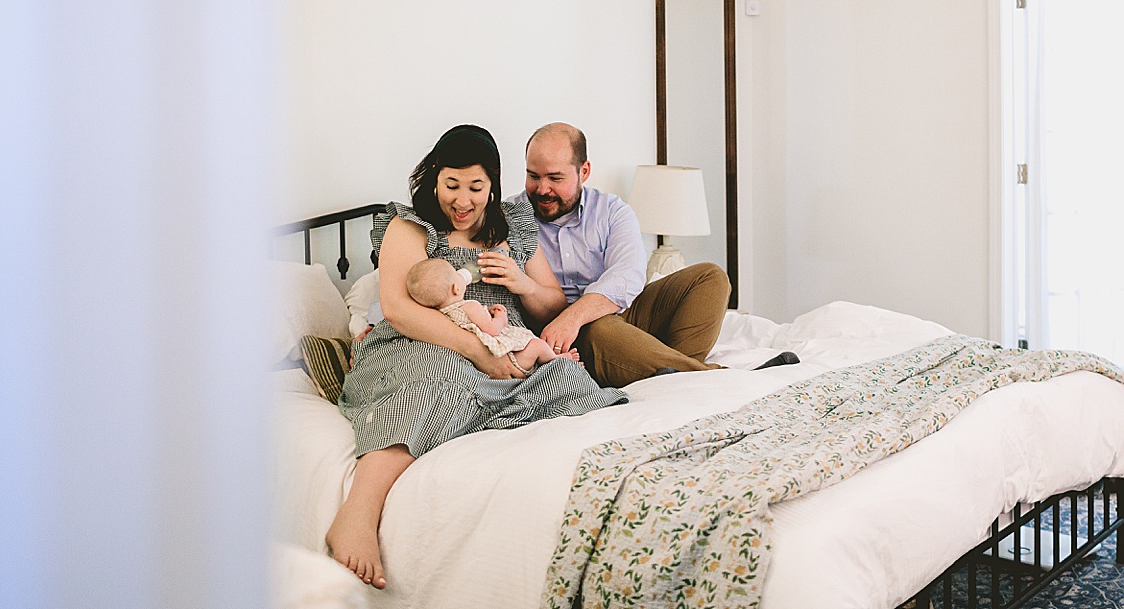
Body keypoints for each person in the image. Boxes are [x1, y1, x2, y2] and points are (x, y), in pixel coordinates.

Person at [326, 125, 626, 589]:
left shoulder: (512, 227)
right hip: (423, 342)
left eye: (476, 187)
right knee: (439, 376)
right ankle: (356, 515)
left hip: (500, 340)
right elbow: (398, 310)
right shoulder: (409, 225)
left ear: (493, 185)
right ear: (434, 180)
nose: (462, 201)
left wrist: (520, 284)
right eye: (451, 185)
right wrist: (474, 349)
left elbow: (550, 305)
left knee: (567, 381)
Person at [514, 122, 798, 387]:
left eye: (555, 178)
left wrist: (573, 317)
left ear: (584, 171)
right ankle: (721, 380)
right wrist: (571, 322)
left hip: (622, 315)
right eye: (533, 176)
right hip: (576, 339)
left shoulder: (612, 211)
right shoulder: (510, 218)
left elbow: (629, 274)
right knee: (601, 329)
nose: (542, 189)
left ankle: (666, 371)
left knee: (711, 277)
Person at [403, 256, 568, 375]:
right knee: (537, 345)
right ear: (456, 289)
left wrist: (486, 312)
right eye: (456, 273)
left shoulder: (442, 315)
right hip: (511, 360)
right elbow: (491, 330)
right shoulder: (470, 306)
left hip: (482, 367)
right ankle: (557, 360)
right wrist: (500, 319)